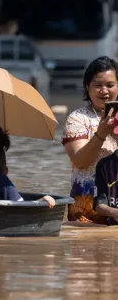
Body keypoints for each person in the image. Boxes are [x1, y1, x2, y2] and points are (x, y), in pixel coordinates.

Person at [61, 56, 118, 223]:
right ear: (88, 87)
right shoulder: (78, 118)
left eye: (110, 85)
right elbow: (80, 162)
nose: (104, 91)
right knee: (86, 246)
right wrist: (100, 134)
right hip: (85, 204)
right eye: (98, 85)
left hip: (115, 202)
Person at [94, 150, 118, 225]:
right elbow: (100, 205)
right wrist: (115, 212)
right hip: (112, 227)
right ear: (115, 137)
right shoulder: (104, 165)